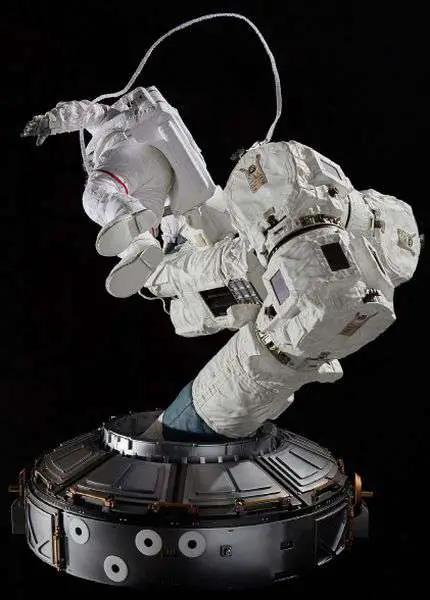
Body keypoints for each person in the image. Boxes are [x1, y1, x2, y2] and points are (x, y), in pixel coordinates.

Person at [22, 88, 174, 297]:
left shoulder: (110, 119)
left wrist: (51, 121)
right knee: (126, 230)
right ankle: (142, 246)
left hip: (135, 151)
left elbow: (84, 111)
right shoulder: (114, 139)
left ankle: (133, 221)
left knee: (95, 195)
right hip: (162, 177)